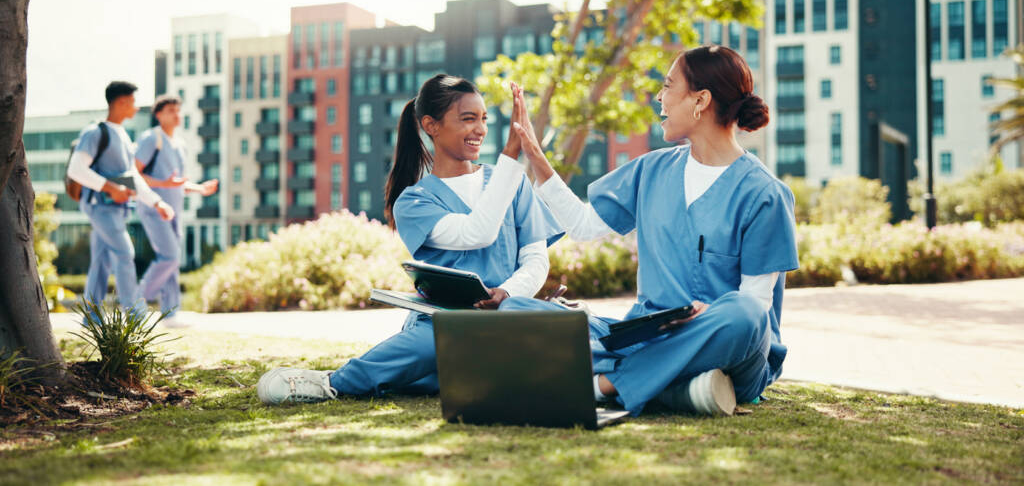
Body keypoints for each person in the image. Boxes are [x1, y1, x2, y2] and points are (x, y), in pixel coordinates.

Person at [504, 45, 799, 417]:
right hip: (646, 336)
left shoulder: (765, 194)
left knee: (744, 314)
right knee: (514, 309)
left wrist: (705, 314)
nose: (659, 97)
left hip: (727, 348)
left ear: (701, 100)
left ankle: (605, 385)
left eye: (668, 85)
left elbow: (756, 302)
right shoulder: (651, 170)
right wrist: (534, 154)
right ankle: (680, 389)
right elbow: (582, 224)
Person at [256, 74, 563, 404]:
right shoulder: (414, 202)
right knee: (438, 345)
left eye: (484, 119)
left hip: (505, 318)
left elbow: (536, 259)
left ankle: (420, 376)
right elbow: (477, 232)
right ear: (431, 125)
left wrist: (508, 293)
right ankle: (332, 383)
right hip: (440, 325)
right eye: (468, 119)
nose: (480, 129)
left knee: (561, 335)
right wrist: (511, 156)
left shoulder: (513, 183)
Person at [66, 81, 175, 318]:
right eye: (133, 102)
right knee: (125, 253)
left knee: (101, 263)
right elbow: (76, 169)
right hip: (99, 207)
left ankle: (91, 319)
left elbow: (133, 176)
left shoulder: (123, 135)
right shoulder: (95, 132)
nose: (136, 108)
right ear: (122, 102)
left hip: (117, 209)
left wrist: (156, 202)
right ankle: (135, 316)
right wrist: (111, 188)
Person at [134, 95, 218, 327]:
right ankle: (135, 304)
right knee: (169, 256)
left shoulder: (180, 145)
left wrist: (200, 189)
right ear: (158, 115)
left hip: (175, 211)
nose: (176, 114)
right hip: (154, 208)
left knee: (172, 261)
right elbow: (134, 174)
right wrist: (164, 184)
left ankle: (170, 313)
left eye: (178, 110)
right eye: (170, 110)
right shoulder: (151, 139)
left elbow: (177, 183)